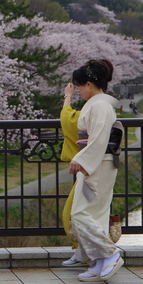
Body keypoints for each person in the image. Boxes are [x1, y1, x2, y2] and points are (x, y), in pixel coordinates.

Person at [66, 59, 124, 282]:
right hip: (101, 162)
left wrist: (81, 159)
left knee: (80, 212)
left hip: (98, 163)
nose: (79, 90)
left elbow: (99, 138)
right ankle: (99, 263)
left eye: (79, 86)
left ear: (89, 84)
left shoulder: (99, 106)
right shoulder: (101, 105)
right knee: (96, 213)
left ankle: (109, 254)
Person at [60, 82, 88, 268]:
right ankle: (83, 253)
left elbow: (67, 119)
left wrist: (67, 96)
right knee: (81, 213)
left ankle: (100, 256)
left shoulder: (90, 112)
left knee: (75, 213)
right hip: (96, 167)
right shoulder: (101, 109)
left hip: (89, 169)